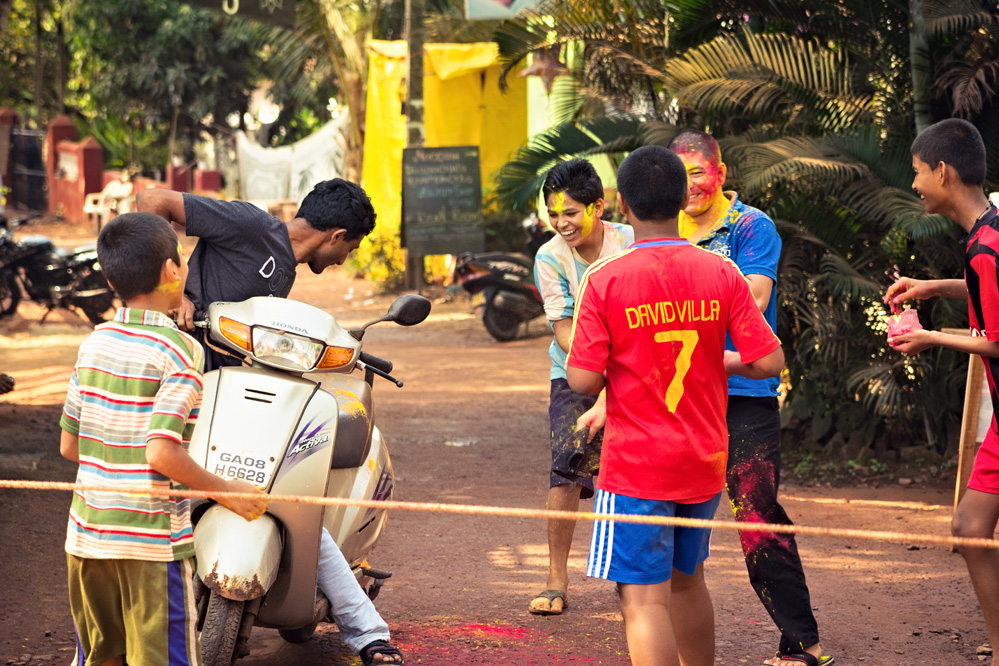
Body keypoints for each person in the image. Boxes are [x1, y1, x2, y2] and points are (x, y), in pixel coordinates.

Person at [135, 181, 406, 666]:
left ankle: (360, 625)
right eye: (349, 248)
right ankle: (367, 630)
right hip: (186, 395)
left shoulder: (284, 270)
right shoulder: (250, 224)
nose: (342, 260)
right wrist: (171, 289)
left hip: (228, 403)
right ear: (336, 236)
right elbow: (153, 200)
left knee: (283, 501)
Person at [568, 145, 785, 666]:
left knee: (642, 601)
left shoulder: (604, 278)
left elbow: (582, 380)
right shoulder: (721, 271)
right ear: (682, 197)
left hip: (637, 465)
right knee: (688, 582)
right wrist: (720, 360)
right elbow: (769, 361)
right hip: (703, 458)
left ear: (622, 204)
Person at [59, 212, 267, 666]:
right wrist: (228, 492)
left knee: (102, 658)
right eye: (183, 261)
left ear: (112, 281)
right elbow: (160, 452)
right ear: (172, 271)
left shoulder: (94, 343)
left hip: (86, 539)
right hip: (150, 547)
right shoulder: (180, 350)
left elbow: (70, 447)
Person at [666, 129, 832, 666]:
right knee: (665, 517)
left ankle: (803, 643)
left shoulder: (749, 226)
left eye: (698, 172)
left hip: (743, 392)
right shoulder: (664, 229)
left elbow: (753, 300)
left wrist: (683, 327)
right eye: (679, 175)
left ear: (720, 173)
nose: (689, 185)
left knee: (756, 513)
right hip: (678, 395)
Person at [885, 118, 999, 666]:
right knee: (969, 527)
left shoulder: (985, 248)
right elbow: (985, 288)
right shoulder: (988, 234)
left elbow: (995, 340)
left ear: (944, 172)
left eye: (917, 172)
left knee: (969, 528)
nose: (914, 184)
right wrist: (933, 288)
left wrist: (930, 337)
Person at [528, 158, 635, 615]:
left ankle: (633, 578)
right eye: (554, 214)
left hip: (636, 368)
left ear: (598, 206)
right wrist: (601, 368)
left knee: (632, 471)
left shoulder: (630, 242)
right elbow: (563, 330)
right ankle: (556, 578)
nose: (561, 223)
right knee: (566, 467)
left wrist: (625, 368)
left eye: (570, 212)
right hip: (575, 370)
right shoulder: (549, 257)